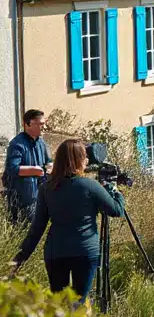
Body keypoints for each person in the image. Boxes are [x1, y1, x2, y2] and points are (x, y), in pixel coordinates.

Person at [8, 139, 125, 303]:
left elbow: (37, 228)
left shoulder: (46, 188)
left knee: (58, 306)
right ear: (78, 160)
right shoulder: (90, 186)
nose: (86, 161)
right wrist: (115, 190)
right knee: (78, 303)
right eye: (84, 157)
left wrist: (20, 258)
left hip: (56, 252)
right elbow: (116, 210)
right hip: (84, 252)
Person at [4, 109, 52, 225]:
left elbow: (48, 162)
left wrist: (52, 166)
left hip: (40, 195)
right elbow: (12, 169)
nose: (43, 127)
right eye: (39, 124)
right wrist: (35, 170)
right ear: (27, 124)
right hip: (22, 197)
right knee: (23, 229)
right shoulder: (17, 144)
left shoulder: (41, 143)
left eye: (43, 124)